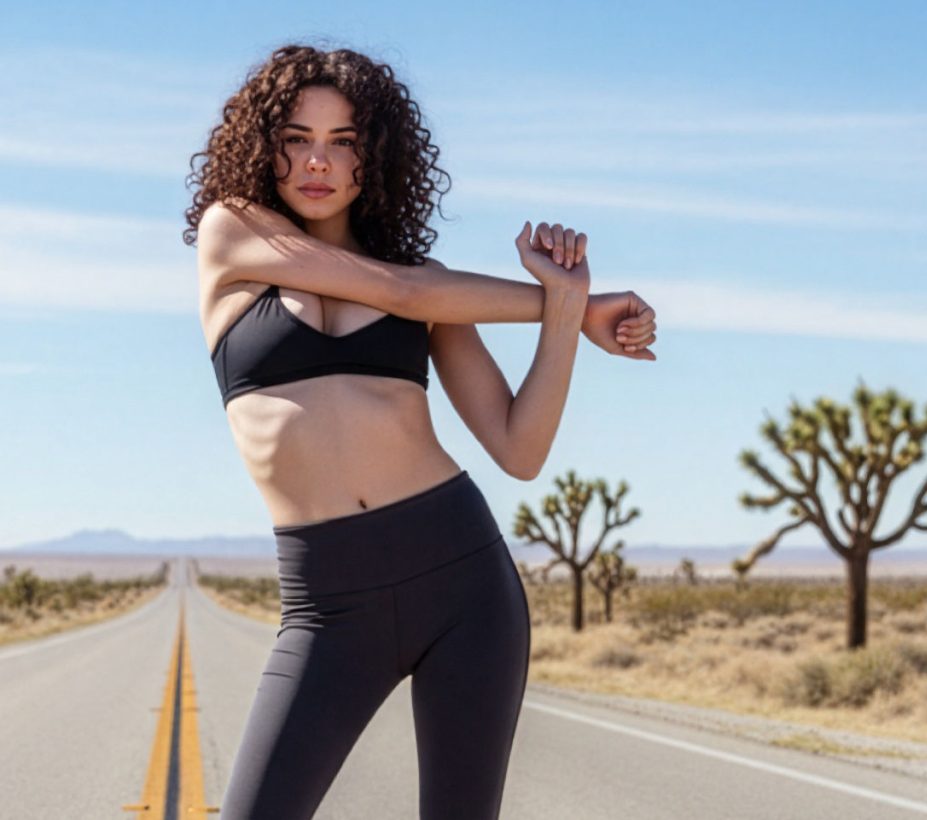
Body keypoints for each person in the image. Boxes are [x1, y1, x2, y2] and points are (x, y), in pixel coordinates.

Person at [182, 42, 657, 820]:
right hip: (330, 603)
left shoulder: (429, 285)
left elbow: (519, 449)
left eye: (343, 143)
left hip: (463, 581)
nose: (317, 162)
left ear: (375, 158)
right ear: (264, 146)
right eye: (297, 138)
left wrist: (570, 311)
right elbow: (399, 289)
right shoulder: (231, 234)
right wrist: (574, 304)